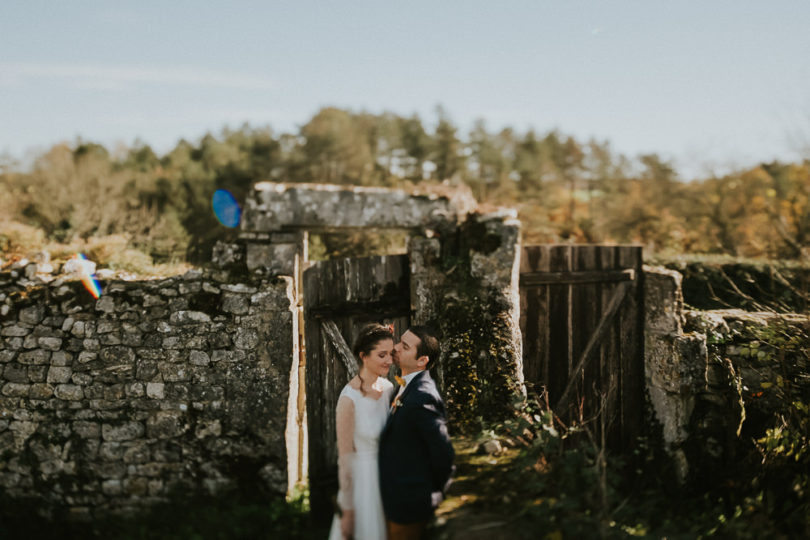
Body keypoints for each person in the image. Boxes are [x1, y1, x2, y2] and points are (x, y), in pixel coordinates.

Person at [379, 326, 455, 540]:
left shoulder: (422, 396)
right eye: (399, 342)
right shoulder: (403, 388)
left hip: (410, 504)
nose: (395, 348)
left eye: (404, 347)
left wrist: (428, 494)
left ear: (422, 360)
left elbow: (443, 454)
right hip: (393, 498)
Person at [328, 323, 396, 540]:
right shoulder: (349, 399)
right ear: (364, 356)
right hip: (362, 484)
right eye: (382, 354)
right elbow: (345, 459)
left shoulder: (388, 390)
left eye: (391, 354)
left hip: (387, 480)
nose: (389, 360)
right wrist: (347, 509)